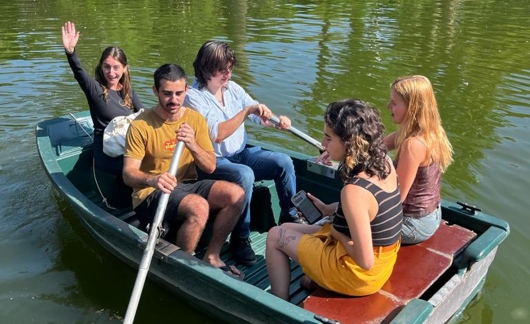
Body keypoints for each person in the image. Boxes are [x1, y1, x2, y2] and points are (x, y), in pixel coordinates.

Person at [266, 99, 403, 300]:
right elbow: (371, 211)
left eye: (328, 138)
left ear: (350, 142)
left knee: (274, 236)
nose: (323, 144)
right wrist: (331, 209)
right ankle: (314, 279)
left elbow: (365, 261)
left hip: (358, 276)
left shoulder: (354, 191)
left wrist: (338, 234)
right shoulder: (384, 161)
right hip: (384, 263)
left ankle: (278, 306)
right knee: (288, 227)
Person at [184, 40, 303, 266]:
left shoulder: (233, 88)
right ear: (206, 67)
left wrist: (276, 120)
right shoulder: (193, 97)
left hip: (241, 153)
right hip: (214, 161)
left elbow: (256, 112)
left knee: (283, 162)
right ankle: (241, 237)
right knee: (245, 175)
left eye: (230, 68)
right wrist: (247, 111)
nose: (228, 73)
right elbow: (217, 133)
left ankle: (290, 217)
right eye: (223, 69)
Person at [123, 64, 245, 279]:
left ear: (187, 90)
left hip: (186, 184)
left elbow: (210, 166)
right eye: (167, 94)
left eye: (179, 93)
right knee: (199, 206)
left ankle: (212, 256)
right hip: (149, 193)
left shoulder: (195, 119)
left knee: (236, 195)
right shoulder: (141, 125)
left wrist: (193, 145)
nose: (174, 100)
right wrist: (153, 179)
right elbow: (128, 174)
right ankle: (182, 268)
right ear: (155, 91)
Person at [61, 21, 143, 176]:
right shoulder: (96, 89)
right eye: (107, 67)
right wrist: (71, 53)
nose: (111, 72)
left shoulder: (128, 91)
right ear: (101, 67)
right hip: (107, 151)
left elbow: (145, 115)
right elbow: (79, 73)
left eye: (116, 67)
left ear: (125, 69)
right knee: (140, 169)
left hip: (127, 145)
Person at [384, 75, 453, 244]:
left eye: (394, 102)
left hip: (413, 224)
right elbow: (377, 146)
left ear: (412, 108)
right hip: (431, 215)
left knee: (351, 223)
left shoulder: (413, 144)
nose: (388, 107)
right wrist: (342, 151)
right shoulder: (428, 131)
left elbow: (396, 198)